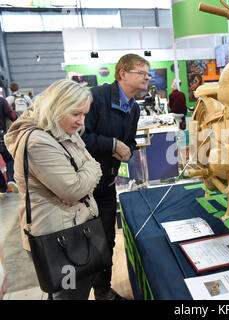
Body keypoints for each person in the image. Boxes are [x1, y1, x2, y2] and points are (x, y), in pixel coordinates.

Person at [3, 79, 102, 300]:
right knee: (70, 294)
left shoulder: (59, 128)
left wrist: (85, 173)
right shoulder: (39, 141)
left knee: (68, 292)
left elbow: (85, 166)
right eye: (76, 114)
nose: (81, 121)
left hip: (70, 227)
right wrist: (91, 171)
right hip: (59, 235)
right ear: (57, 107)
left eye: (84, 114)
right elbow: (73, 189)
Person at [82, 53, 150, 300]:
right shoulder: (96, 97)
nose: (147, 77)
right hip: (83, 188)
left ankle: (103, 292)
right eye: (141, 72)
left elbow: (129, 141)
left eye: (147, 73)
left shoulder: (134, 108)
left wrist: (127, 150)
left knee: (107, 241)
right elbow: (79, 137)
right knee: (82, 245)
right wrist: (112, 144)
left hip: (108, 183)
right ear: (122, 73)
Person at [0, 97, 18, 197]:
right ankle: (11, 179)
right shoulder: (2, 101)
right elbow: (12, 116)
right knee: (9, 159)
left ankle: (2, 188)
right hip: (1, 135)